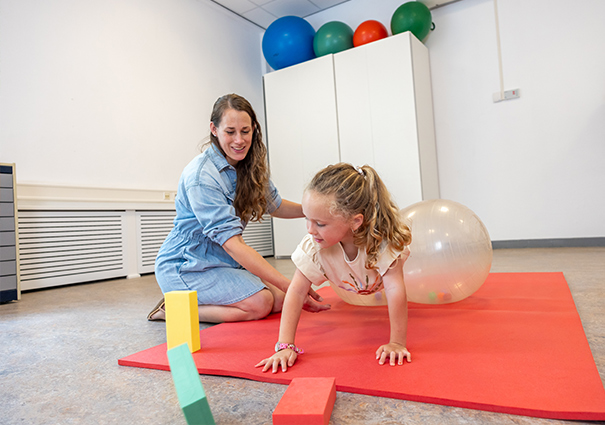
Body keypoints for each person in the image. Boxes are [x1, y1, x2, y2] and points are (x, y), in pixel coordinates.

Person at [148, 94, 328, 323]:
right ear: (214, 129)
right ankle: (173, 308)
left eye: (245, 131)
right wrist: (293, 286)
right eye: (230, 132)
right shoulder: (201, 175)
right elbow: (233, 245)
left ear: (254, 129)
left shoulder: (249, 165)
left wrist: (319, 210)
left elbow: (276, 205)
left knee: (281, 299)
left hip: (221, 262)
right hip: (186, 266)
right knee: (261, 303)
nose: (239, 140)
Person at [255, 163, 412, 373]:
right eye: (307, 219)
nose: (310, 230)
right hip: (356, 280)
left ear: (355, 221)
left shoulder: (383, 243)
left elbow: (394, 290)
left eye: (320, 223)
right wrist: (285, 346)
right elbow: (296, 290)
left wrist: (397, 343)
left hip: (384, 274)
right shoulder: (315, 246)